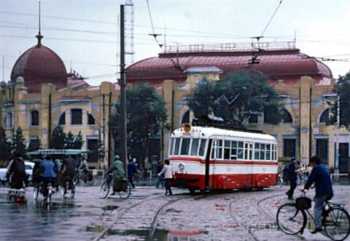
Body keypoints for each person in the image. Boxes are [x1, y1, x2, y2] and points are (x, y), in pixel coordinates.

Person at [302, 156, 333, 234]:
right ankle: (326, 214)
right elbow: (322, 179)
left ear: (314, 162)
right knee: (320, 203)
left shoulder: (316, 168)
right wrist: (314, 186)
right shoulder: (324, 167)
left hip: (322, 192)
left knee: (317, 208)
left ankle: (318, 227)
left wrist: (305, 188)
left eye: (311, 164)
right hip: (329, 191)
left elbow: (311, 179)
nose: (311, 165)